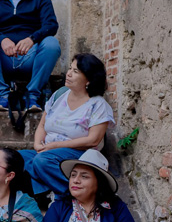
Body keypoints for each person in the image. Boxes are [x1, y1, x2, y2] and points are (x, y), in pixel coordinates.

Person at [20, 53, 114, 198]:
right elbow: (42, 125)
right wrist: (37, 144)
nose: (69, 73)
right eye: (70, 68)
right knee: (14, 159)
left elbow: (93, 140)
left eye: (75, 71)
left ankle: (77, 196)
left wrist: (55, 146)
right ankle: (49, 192)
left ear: (89, 79)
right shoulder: (59, 95)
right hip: (48, 151)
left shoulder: (98, 105)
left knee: (42, 161)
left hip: (77, 154)